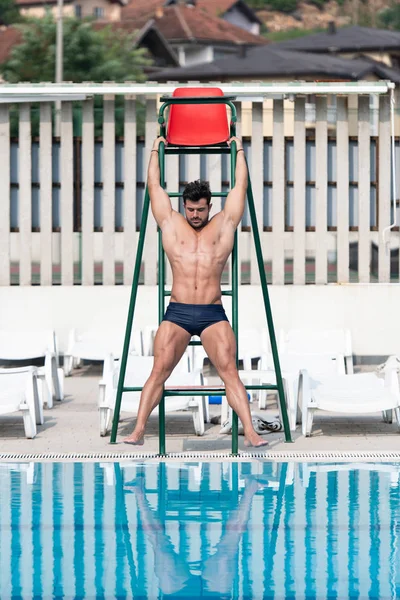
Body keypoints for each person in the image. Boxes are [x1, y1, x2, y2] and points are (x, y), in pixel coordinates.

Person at [123, 135, 268, 448]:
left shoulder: (224, 224)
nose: (195, 215)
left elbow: (240, 186)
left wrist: (240, 148)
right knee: (158, 371)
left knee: (230, 372)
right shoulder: (172, 224)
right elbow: (153, 185)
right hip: (178, 312)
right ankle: (138, 431)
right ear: (183, 206)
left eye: (200, 210)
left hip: (212, 313)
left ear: (209, 206)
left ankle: (251, 431)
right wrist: (154, 148)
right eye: (190, 209)